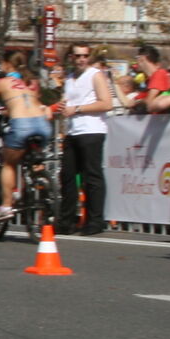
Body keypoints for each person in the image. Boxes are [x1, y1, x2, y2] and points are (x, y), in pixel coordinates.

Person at [0, 53, 51, 223]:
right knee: (33, 161)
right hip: (42, 124)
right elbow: (27, 104)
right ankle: (37, 188)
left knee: (9, 164)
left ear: (5, 64)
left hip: (21, 125)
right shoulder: (32, 82)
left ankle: (6, 206)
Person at [53, 43, 113, 235]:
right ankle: (67, 221)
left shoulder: (95, 75)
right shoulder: (70, 78)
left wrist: (77, 109)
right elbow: (67, 102)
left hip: (92, 130)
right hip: (73, 131)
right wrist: (60, 108)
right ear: (71, 57)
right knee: (67, 175)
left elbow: (107, 103)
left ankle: (95, 222)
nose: (81, 59)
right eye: (77, 56)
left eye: (85, 56)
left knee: (92, 176)